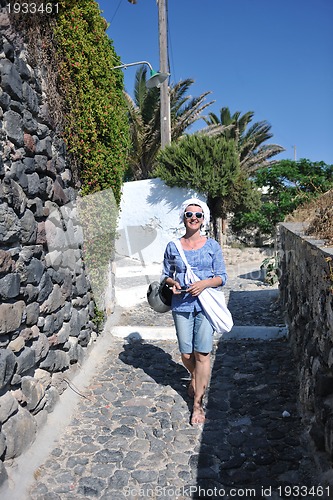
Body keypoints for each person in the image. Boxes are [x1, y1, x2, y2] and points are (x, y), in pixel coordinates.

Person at [163, 198, 227, 425]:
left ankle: (198, 404)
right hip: (181, 305)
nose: (193, 218)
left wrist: (204, 284)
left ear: (204, 219)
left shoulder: (212, 246)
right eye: (189, 214)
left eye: (198, 215)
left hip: (206, 306)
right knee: (186, 354)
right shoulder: (173, 246)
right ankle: (195, 376)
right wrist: (173, 283)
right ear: (184, 217)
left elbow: (222, 277)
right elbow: (166, 274)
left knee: (203, 354)